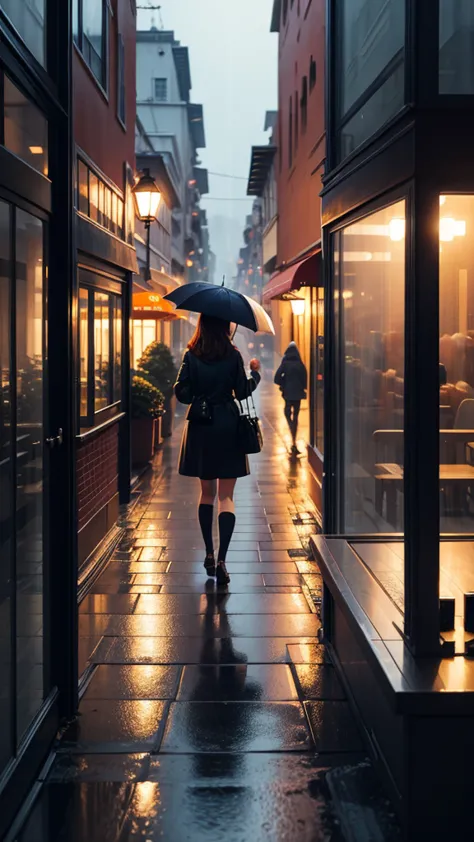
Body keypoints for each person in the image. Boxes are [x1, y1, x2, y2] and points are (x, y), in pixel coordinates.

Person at [174, 315, 261, 586]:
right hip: (228, 426)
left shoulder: (192, 354)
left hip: (201, 426)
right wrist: (255, 372)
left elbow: (182, 392)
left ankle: (208, 554)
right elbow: (244, 391)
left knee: (206, 494)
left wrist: (195, 390)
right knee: (226, 497)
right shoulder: (233, 355)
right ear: (225, 326)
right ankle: (223, 560)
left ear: (202, 324)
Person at [274, 341, 307, 455]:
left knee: (287, 413)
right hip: (297, 394)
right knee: (296, 415)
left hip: (288, 394)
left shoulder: (285, 364)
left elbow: (276, 378)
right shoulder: (300, 364)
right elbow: (304, 379)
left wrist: (284, 384)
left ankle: (291, 427)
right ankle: (294, 436)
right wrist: (302, 387)